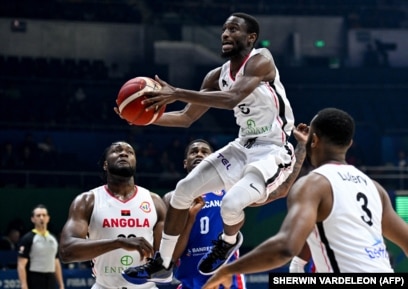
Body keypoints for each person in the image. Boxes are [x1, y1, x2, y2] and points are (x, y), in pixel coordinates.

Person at [120, 12, 296, 284]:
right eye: (224, 29)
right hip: (243, 144)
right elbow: (186, 118)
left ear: (251, 37)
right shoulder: (216, 76)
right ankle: (163, 263)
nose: (226, 34)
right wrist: (144, 119)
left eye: (234, 29)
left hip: (273, 148)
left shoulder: (262, 60)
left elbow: (232, 98)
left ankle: (228, 240)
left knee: (231, 204)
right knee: (182, 192)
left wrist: (176, 92)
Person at [201, 107, 408, 288]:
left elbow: (285, 247)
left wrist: (227, 270)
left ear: (314, 139)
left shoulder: (313, 185)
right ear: (350, 143)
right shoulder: (374, 188)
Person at [58, 141, 167, 289]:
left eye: (130, 152)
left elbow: (166, 257)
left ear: (135, 163)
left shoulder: (154, 202)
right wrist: (118, 243)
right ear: (105, 165)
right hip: (104, 286)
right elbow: (66, 252)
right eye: (117, 151)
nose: (124, 153)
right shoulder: (87, 201)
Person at [162, 139, 247, 289]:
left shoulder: (230, 189)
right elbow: (172, 256)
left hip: (225, 278)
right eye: (194, 152)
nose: (199, 154)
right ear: (185, 163)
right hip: (190, 278)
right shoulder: (171, 198)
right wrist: (190, 218)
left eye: (204, 152)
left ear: (214, 160)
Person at [17, 204, 65, 289]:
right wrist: (24, 285)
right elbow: (21, 264)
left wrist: (61, 284)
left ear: (48, 218)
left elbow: (56, 262)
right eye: (38, 216)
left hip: (50, 278)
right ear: (33, 219)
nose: (41, 218)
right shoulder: (28, 239)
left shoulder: (53, 239)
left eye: (44, 215)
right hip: (34, 278)